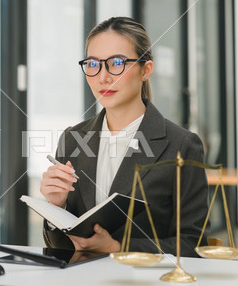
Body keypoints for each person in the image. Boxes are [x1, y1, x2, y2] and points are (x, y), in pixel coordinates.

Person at [40, 17, 210, 257]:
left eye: (117, 63)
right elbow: (61, 248)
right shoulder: (73, 139)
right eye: (93, 64)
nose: (103, 77)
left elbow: (194, 244)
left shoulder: (181, 144)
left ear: (146, 70)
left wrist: (119, 248)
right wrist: (56, 207)